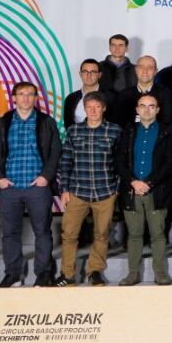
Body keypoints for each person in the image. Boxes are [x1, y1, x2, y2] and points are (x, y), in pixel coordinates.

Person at [0, 82, 62, 287]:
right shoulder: (2, 122)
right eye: (22, 94)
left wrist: (46, 176)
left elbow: (55, 152)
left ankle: (44, 274)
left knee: (43, 232)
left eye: (30, 94)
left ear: (36, 98)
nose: (26, 98)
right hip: (9, 187)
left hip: (38, 187)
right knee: (10, 233)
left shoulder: (46, 122)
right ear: (14, 98)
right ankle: (12, 274)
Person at [57, 91, 122, 286]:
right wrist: (64, 189)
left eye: (97, 107)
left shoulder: (114, 131)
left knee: (101, 234)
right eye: (89, 107)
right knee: (69, 234)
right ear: (84, 109)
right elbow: (66, 161)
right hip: (78, 191)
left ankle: (94, 271)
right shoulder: (74, 131)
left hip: (105, 191)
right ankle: (67, 274)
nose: (93, 111)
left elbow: (120, 162)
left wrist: (116, 188)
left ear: (104, 108)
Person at [115, 94, 172, 286]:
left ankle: (160, 273)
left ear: (158, 110)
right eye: (143, 106)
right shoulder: (129, 131)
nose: (147, 109)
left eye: (151, 106)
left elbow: (171, 162)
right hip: (132, 191)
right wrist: (133, 181)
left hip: (156, 191)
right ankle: (133, 273)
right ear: (137, 109)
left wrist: (149, 182)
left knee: (158, 234)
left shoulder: (168, 131)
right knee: (134, 234)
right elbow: (119, 161)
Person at [115, 55, 172, 126]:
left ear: (155, 71)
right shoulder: (124, 94)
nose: (145, 71)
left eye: (150, 67)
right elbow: (119, 121)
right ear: (136, 70)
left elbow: (166, 121)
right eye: (141, 67)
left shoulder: (165, 93)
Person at [62, 59, 103, 131]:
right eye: (85, 72)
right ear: (80, 74)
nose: (88, 75)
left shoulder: (110, 97)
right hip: (78, 140)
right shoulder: (71, 99)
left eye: (93, 72)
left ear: (99, 75)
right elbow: (68, 125)